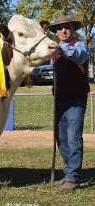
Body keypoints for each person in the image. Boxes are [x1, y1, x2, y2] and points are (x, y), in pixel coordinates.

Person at [49, 12, 90, 191]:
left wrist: (61, 50)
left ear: (73, 29)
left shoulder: (80, 45)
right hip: (60, 99)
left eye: (67, 27)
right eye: (60, 28)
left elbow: (79, 57)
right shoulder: (54, 50)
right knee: (62, 138)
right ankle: (68, 173)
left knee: (73, 137)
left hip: (76, 99)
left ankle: (73, 177)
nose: (63, 30)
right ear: (56, 32)